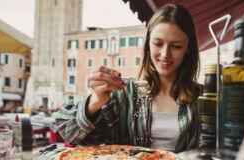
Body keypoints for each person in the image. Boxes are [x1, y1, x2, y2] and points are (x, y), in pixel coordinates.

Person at [55, 4, 200, 153]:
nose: (165, 54)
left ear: (188, 48)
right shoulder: (124, 92)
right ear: (148, 45)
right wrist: (95, 101)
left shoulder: (203, 98)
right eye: (158, 43)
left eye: (176, 46)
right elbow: (68, 131)